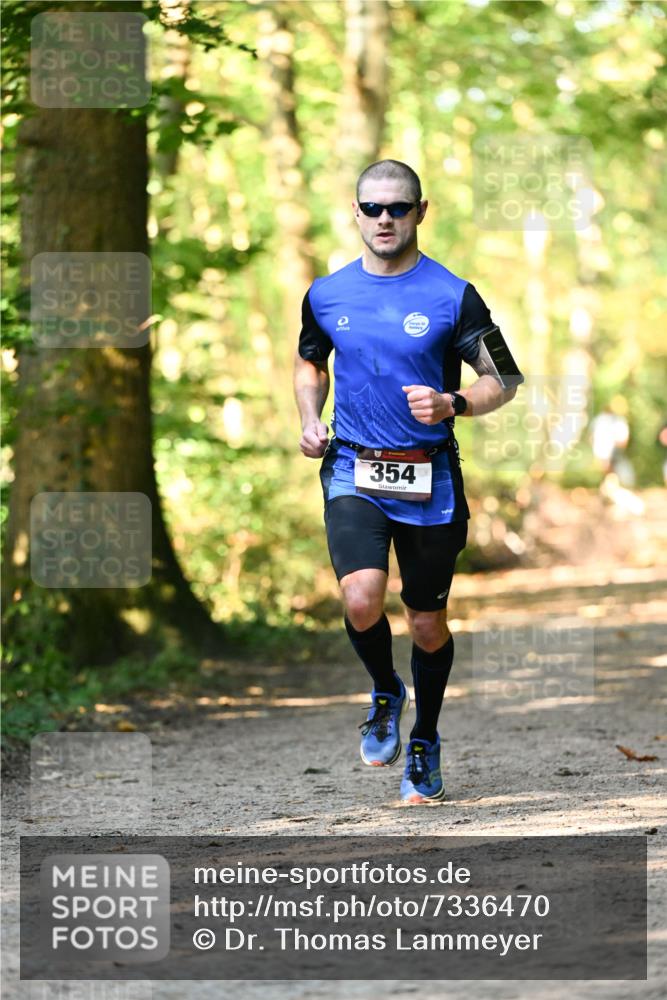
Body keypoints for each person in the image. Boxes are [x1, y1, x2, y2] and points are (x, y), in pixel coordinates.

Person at [293, 159, 519, 804]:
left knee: (425, 622)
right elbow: (310, 363)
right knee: (362, 598)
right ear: (355, 213)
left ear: (422, 211)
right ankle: (384, 689)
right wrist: (310, 420)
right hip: (352, 468)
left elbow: (503, 377)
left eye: (398, 207)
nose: (384, 219)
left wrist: (458, 404)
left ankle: (425, 739)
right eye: (372, 208)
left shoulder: (453, 293)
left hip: (430, 476)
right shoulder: (326, 293)